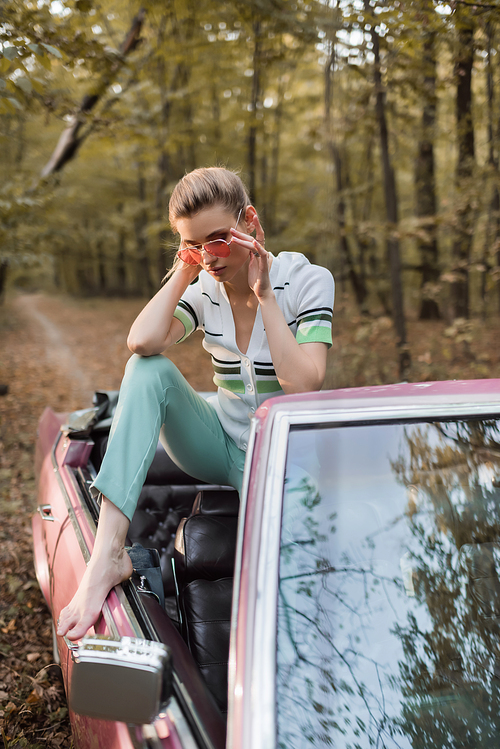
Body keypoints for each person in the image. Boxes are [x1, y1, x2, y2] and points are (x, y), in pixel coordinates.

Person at [57, 166, 334, 641]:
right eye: (195, 244)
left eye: (220, 238)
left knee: (287, 594)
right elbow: (142, 341)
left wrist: (264, 295)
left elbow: (304, 385)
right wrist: (185, 269)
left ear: (250, 220)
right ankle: (108, 557)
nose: (211, 256)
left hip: (283, 460)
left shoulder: (306, 279)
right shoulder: (203, 288)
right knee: (147, 370)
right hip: (219, 447)